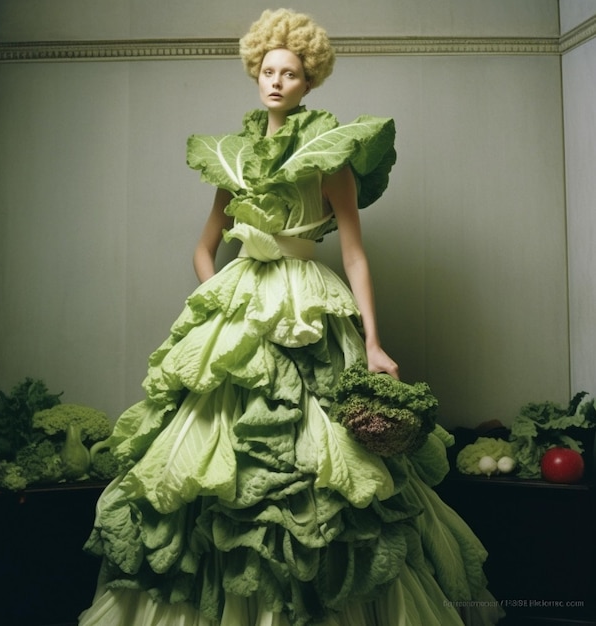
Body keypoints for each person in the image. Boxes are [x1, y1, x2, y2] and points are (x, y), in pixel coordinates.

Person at [79, 9, 503, 626]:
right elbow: (204, 248)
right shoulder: (232, 157)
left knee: (325, 454)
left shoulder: (330, 156)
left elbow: (354, 255)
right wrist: (225, 296)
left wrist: (375, 342)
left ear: (310, 83)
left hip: (310, 301)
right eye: (268, 71)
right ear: (256, 74)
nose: (277, 82)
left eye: (291, 74)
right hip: (245, 300)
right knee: (210, 445)